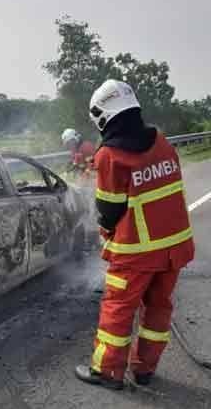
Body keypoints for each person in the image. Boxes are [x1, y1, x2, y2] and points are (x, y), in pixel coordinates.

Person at [75, 80, 195, 390]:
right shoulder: (163, 142)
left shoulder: (110, 156)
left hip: (136, 252)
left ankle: (107, 371)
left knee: (118, 309)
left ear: (104, 117)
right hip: (174, 246)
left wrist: (105, 231)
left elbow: (110, 210)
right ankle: (144, 370)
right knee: (158, 307)